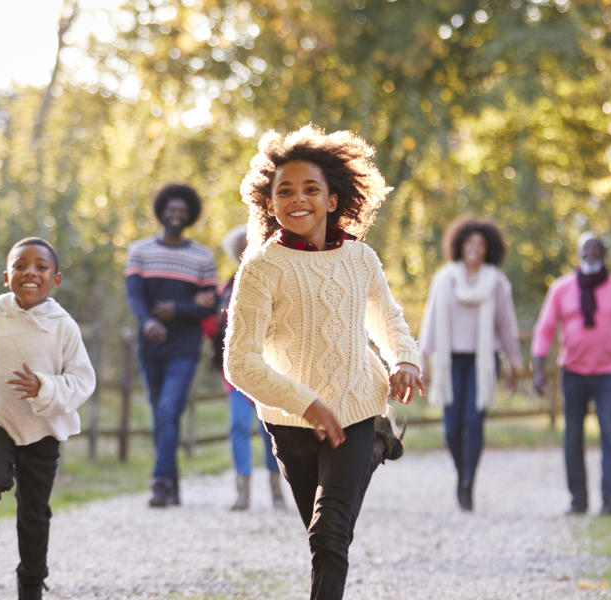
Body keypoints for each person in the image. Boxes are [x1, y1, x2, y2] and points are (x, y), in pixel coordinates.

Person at [224, 124, 424, 600]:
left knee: (330, 532)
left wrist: (405, 359)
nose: (298, 198)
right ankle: (380, 445)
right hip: (290, 421)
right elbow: (239, 362)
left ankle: (370, 440)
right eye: (285, 191)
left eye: (310, 189)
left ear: (332, 199)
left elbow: (387, 319)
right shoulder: (261, 268)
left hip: (356, 406)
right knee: (322, 533)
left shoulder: (361, 258)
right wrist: (307, 404)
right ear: (269, 203)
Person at [0, 237, 96, 599]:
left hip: (43, 429)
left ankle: (30, 585)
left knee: (34, 514)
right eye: (20, 265)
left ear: (55, 280)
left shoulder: (63, 326)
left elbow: (82, 380)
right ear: (6, 276)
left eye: (41, 267)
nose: (30, 272)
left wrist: (44, 386)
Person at [418, 215, 523, 512]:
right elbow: (430, 322)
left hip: (484, 363)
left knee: (474, 422)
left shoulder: (496, 282)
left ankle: (467, 484)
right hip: (450, 363)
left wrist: (515, 363)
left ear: (489, 249)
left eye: (481, 244)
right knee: (452, 427)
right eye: (469, 243)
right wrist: (423, 358)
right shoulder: (444, 279)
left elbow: (506, 326)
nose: (475, 249)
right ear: (460, 246)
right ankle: (462, 472)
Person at [124, 183, 218, 507]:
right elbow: (135, 296)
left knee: (168, 410)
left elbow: (210, 305)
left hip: (185, 347)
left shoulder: (202, 257)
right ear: (161, 212)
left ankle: (160, 483)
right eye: (171, 209)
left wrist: (178, 309)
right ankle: (172, 480)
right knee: (161, 415)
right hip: (150, 345)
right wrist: (147, 321)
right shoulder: (139, 251)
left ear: (190, 215)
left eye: (182, 211)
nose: (176, 215)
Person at [530, 232, 611, 516]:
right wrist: (538, 369)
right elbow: (545, 329)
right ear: (578, 255)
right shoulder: (561, 289)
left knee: (610, 434)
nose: (591, 254)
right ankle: (578, 500)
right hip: (573, 373)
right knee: (573, 437)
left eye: (596, 250)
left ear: (604, 254)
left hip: (608, 374)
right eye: (585, 250)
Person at [207, 224, 286, 511]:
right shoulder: (226, 289)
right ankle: (243, 492)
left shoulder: (275, 283)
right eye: (241, 249)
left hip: (269, 369)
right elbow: (214, 329)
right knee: (239, 426)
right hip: (237, 372)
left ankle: (276, 489)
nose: (246, 252)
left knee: (270, 430)